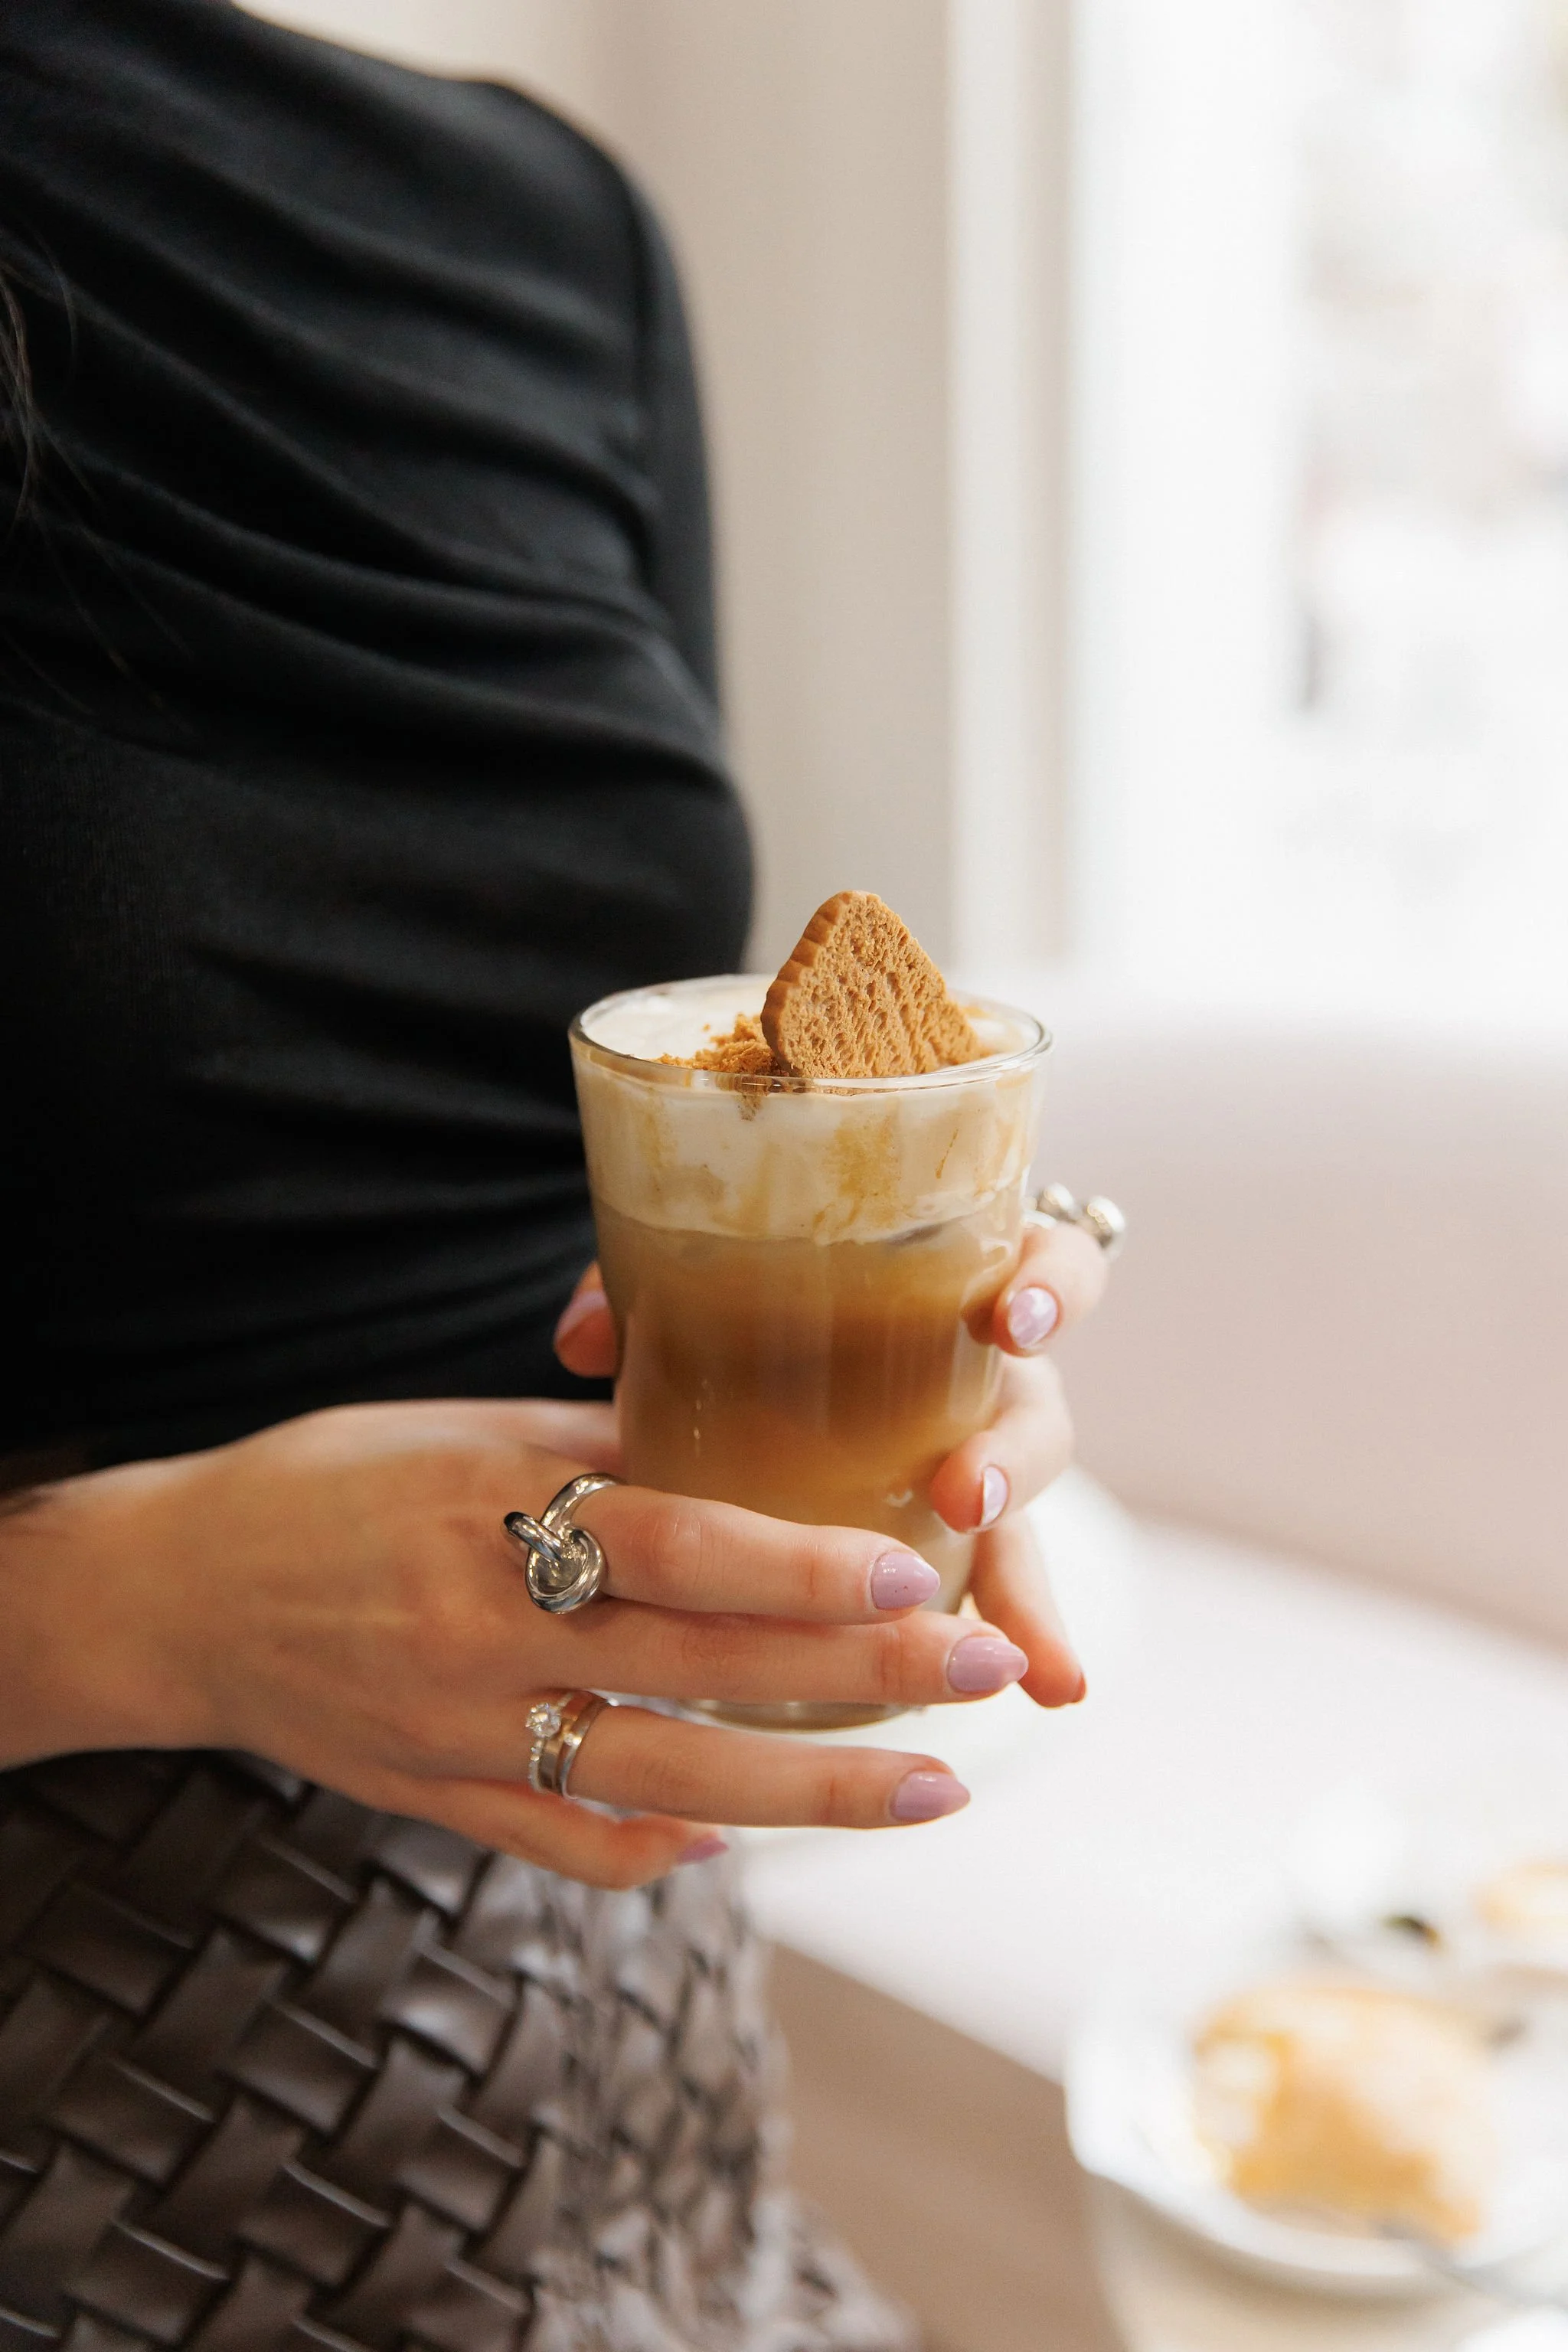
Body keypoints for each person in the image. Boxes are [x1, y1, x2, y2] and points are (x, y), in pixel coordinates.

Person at [0, 3, 1110, 2344]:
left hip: (608, 2093)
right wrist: (132, 1610)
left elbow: (603, 1143)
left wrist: (945, 1347)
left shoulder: (539, 224)